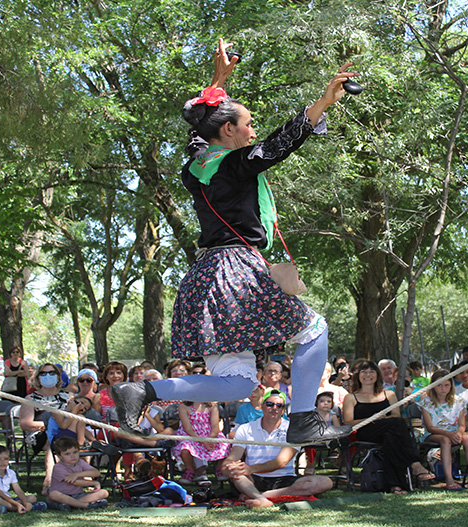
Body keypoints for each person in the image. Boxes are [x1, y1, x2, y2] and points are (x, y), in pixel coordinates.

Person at [112, 39, 355, 444]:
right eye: (246, 124)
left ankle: (142, 391)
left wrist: (218, 82)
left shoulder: (196, 165)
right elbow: (279, 144)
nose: (252, 131)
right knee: (313, 330)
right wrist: (322, 104)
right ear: (229, 130)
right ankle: (304, 420)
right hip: (237, 272)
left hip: (207, 276)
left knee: (240, 383)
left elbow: (199, 130)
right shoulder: (236, 165)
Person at [220, 390, 334, 508]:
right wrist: (228, 467)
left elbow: (281, 462)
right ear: (262, 407)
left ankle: (259, 496)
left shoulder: (293, 430)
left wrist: (250, 468)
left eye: (279, 406)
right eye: (270, 404)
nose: (274, 408)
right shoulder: (245, 428)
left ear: (283, 410)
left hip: (284, 479)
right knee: (237, 475)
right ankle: (260, 498)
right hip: (254, 478)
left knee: (325, 482)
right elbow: (233, 458)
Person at [343, 361, 435, 493]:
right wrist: (372, 419)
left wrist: (383, 419)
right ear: (358, 376)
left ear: (377, 375)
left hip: (388, 430)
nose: (368, 375)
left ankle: (395, 486)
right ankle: (414, 463)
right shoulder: (351, 397)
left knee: (390, 438)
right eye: (364, 371)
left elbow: (396, 414)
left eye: (372, 371)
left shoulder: (389, 395)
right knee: (396, 425)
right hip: (366, 431)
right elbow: (349, 422)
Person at [418, 369, 468, 490]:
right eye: (439, 385)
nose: (443, 388)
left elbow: (461, 423)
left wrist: (460, 433)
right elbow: (430, 427)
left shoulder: (458, 401)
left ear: (451, 386)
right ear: (433, 386)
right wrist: (449, 434)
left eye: (446, 385)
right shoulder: (426, 403)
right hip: (435, 433)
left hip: (454, 431)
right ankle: (449, 479)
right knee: (445, 440)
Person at [18, 363, 71, 494]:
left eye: (52, 373)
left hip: (65, 435)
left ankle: (53, 481)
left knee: (58, 437)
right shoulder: (31, 398)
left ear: (58, 377)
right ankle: (50, 478)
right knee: (52, 435)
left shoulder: (68, 397)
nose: (48, 376)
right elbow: (25, 423)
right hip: (39, 435)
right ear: (38, 377)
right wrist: (48, 425)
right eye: (44, 373)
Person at [173, 400, 230, 486]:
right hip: (191, 435)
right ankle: (191, 470)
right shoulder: (183, 407)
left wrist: (210, 439)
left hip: (209, 435)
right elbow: (188, 429)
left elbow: (215, 427)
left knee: (225, 445)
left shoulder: (212, 406)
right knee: (185, 448)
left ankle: (220, 468)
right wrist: (202, 441)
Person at [0, 445, 47, 513]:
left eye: (6, 459)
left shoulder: (11, 473)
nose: (3, 462)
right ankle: (22, 508)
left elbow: (18, 490)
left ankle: (16, 507)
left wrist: (25, 502)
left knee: (32, 498)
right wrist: (17, 504)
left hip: (6, 499)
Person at [47, 436, 109, 510]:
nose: (72, 456)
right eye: (67, 454)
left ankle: (73, 505)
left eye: (75, 452)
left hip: (78, 495)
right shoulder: (58, 467)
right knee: (53, 495)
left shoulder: (80, 462)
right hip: (62, 496)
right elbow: (74, 482)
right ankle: (85, 505)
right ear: (59, 456)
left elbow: (96, 472)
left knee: (104, 492)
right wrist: (94, 483)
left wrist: (77, 474)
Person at [303, 391, 341, 475]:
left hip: (328, 435)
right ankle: (311, 462)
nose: (325, 403)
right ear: (316, 403)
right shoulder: (313, 415)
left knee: (338, 439)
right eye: (322, 401)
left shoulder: (333, 415)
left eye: (329, 401)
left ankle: (338, 456)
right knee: (309, 443)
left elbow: (337, 429)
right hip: (314, 437)